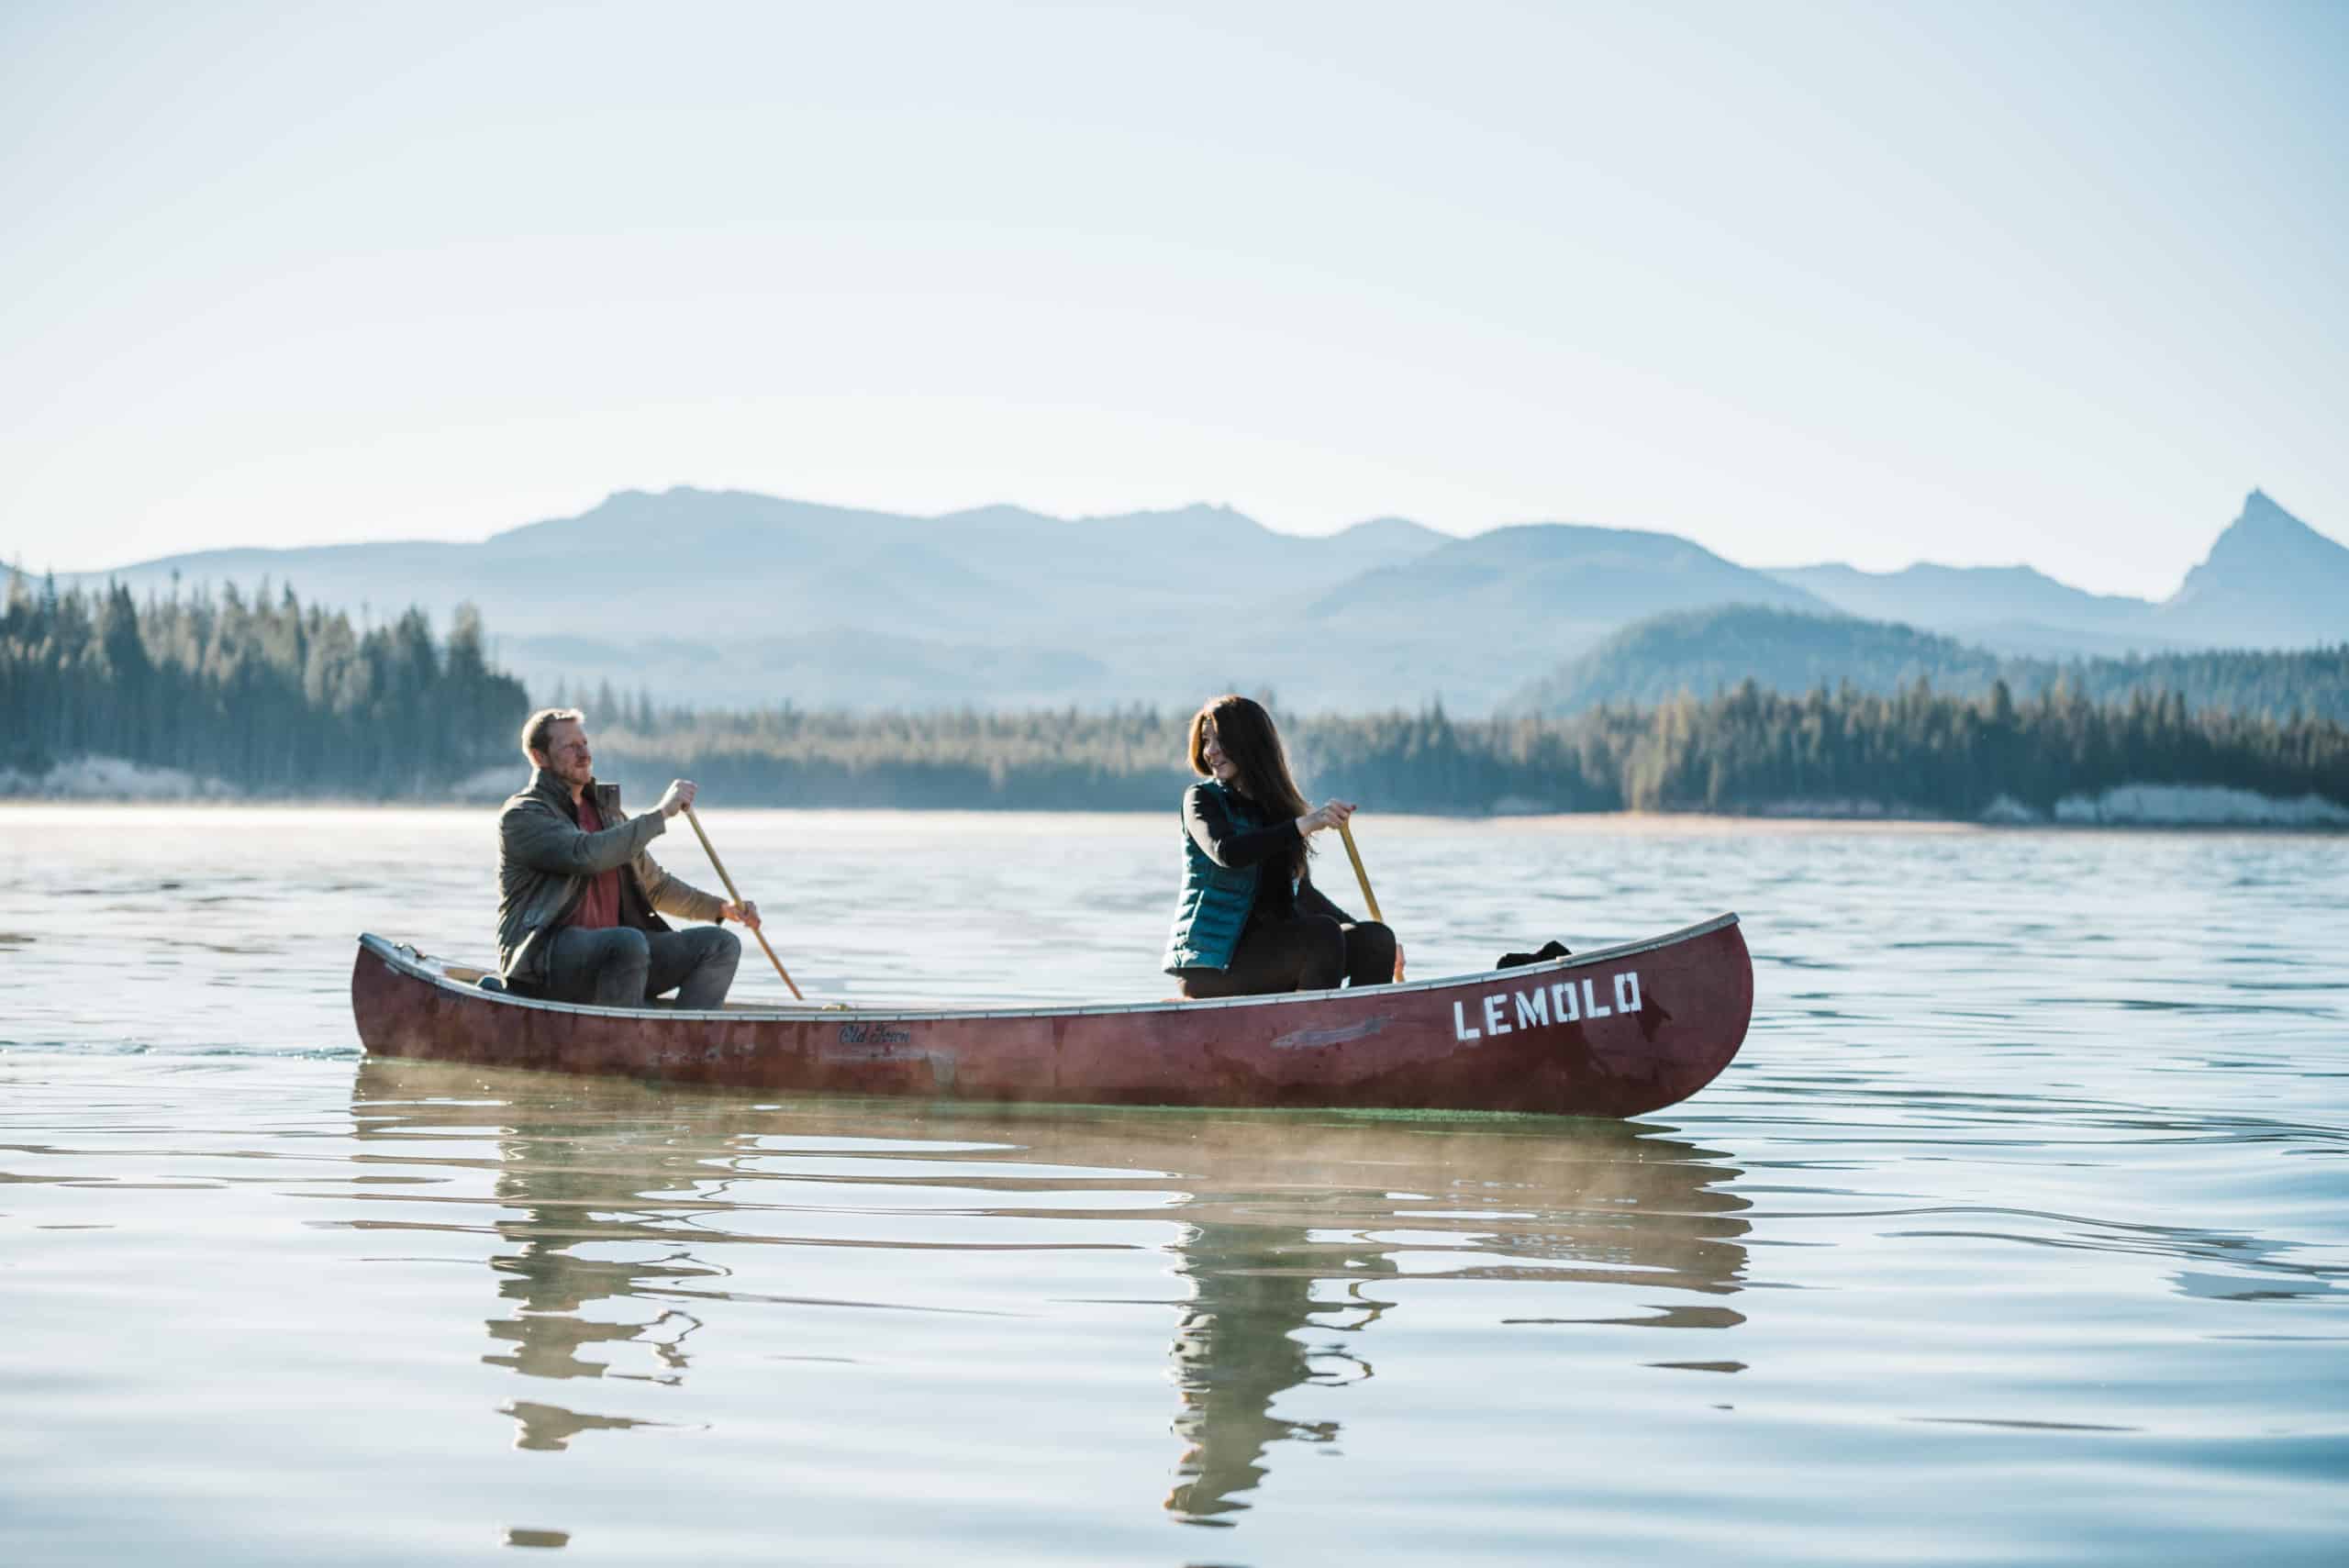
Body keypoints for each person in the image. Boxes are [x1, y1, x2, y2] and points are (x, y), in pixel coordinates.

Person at [495, 706, 761, 1007]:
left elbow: (656, 887)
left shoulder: (608, 814)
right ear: (538, 757)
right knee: (627, 942)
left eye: (585, 744)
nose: (584, 754)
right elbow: (585, 855)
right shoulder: (524, 815)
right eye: (570, 747)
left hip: (620, 957)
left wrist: (722, 909)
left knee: (720, 945)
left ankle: (688, 1045)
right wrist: (661, 814)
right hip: (544, 962)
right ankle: (625, 1041)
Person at [1162, 695, 1402, 998]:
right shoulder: (1201, 799)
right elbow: (1228, 852)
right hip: (1211, 966)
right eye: (1206, 741)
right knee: (1322, 936)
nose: (1211, 751)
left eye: (1219, 740)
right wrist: (1304, 825)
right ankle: (1312, 1037)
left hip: (1274, 954)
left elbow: (1303, 894)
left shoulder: (1277, 810)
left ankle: (1361, 1032)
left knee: (1377, 939)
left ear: (1249, 743)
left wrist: (1372, 938)